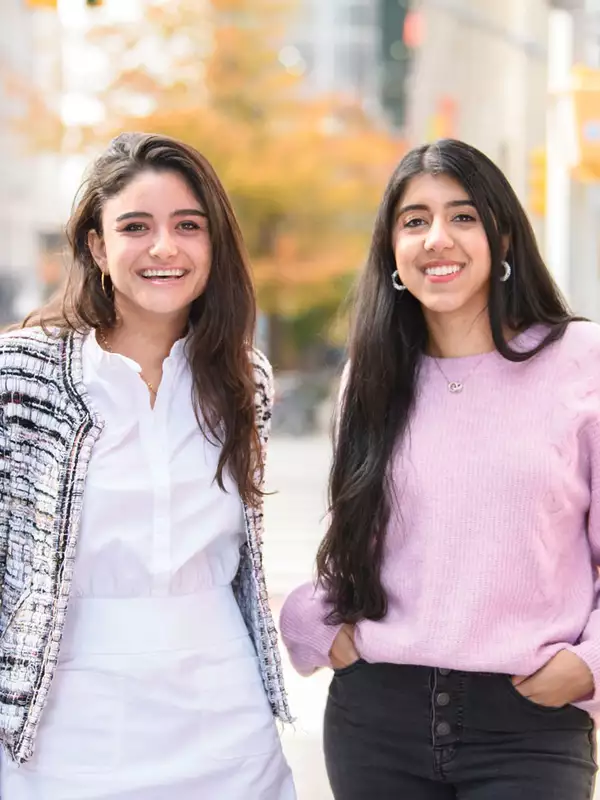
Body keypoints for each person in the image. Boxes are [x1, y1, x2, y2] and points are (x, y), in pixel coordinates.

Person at [280, 138, 600, 799]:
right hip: (377, 720)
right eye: (414, 221)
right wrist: (316, 620)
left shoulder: (581, 361)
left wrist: (589, 665)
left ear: (503, 236)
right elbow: (352, 543)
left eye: (462, 216)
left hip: (528, 724)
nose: (437, 239)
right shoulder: (368, 379)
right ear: (392, 251)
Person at [0, 132, 295, 799]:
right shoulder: (21, 374)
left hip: (226, 722)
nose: (164, 247)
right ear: (98, 246)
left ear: (213, 245)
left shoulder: (244, 379)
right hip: (65, 726)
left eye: (187, 226)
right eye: (136, 227)